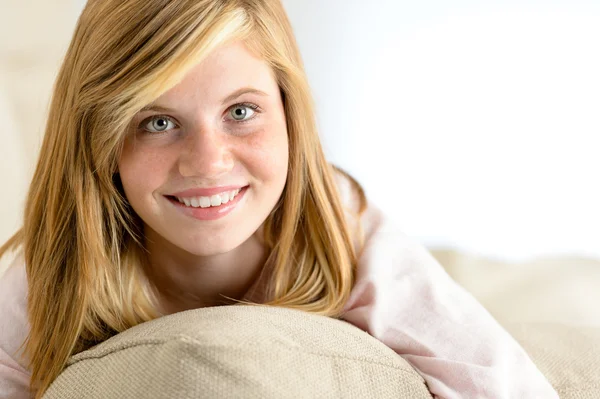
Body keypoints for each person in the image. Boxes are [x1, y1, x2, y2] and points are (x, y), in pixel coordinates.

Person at [0, 1, 558, 398]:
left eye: (240, 112)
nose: (209, 162)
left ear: (291, 115)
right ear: (100, 139)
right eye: (158, 121)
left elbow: (502, 382)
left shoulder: (348, 232)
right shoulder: (36, 282)